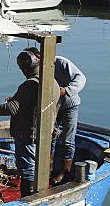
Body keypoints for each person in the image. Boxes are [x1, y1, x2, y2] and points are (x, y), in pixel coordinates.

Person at [0, 50, 41, 197]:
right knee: (35, 165)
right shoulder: (51, 82)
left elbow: (11, 108)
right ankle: (36, 191)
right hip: (42, 133)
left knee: (28, 169)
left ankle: (28, 199)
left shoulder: (30, 84)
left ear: (24, 68)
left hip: (28, 133)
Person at [25, 47, 86, 183]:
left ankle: (66, 172)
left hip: (69, 105)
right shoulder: (36, 70)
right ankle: (48, 169)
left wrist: (67, 90)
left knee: (67, 139)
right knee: (50, 136)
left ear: (39, 56)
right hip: (51, 106)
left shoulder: (61, 62)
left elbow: (81, 78)